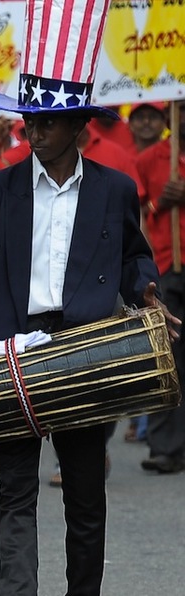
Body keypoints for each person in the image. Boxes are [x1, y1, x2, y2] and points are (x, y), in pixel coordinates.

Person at [0, 3, 175, 593]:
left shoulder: (115, 190)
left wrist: (145, 287)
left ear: (79, 127)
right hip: (8, 356)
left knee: (86, 496)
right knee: (16, 493)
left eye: (50, 121)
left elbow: (133, 256)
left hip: (86, 350)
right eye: (31, 119)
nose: (36, 130)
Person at [136, 101, 185, 475]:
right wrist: (159, 203)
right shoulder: (149, 159)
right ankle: (165, 447)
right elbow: (136, 213)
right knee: (167, 357)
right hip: (166, 266)